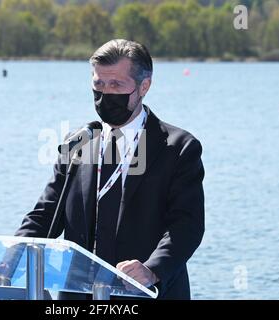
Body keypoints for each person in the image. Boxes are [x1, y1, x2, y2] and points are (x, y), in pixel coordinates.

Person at [13, 39, 205, 300]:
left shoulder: (179, 147)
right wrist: (11, 254)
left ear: (143, 87)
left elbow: (187, 226)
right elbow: (46, 213)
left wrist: (151, 269)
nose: (105, 95)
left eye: (116, 85)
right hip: (78, 297)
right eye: (98, 85)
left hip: (147, 293)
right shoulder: (78, 142)